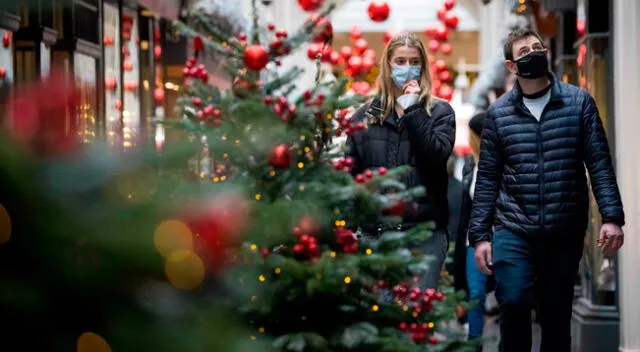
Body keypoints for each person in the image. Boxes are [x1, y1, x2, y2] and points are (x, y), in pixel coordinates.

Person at [468, 28, 625, 352]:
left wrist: (612, 216)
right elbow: (487, 179)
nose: (534, 53)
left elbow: (599, 163)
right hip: (513, 227)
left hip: (562, 228)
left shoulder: (578, 103)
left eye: (537, 47)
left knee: (556, 316)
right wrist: (481, 236)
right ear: (512, 66)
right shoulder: (498, 115)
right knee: (512, 301)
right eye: (524, 51)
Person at [346, 32, 456, 289]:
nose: (407, 68)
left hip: (424, 236)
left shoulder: (439, 112)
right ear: (388, 65)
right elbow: (350, 178)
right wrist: (350, 228)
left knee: (416, 318)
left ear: (423, 67)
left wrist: (413, 110)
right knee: (381, 319)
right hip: (376, 236)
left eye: (414, 62)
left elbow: (435, 158)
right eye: (401, 61)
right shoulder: (364, 118)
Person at [453, 112, 488, 349]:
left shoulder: (507, 162)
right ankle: (474, 342)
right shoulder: (469, 166)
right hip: (472, 241)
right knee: (476, 294)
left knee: (510, 296)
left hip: (504, 237)